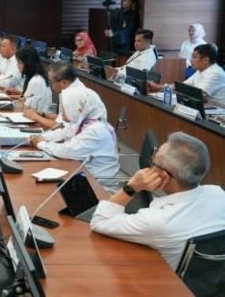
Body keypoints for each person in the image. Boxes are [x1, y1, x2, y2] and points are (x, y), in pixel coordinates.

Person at [90, 132, 225, 270]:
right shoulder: (219, 194)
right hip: (207, 282)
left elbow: (99, 222)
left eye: (153, 163)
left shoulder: (157, 221)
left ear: (164, 176)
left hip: (163, 285)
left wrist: (131, 187)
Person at [30, 87, 119, 193]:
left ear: (77, 108)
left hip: (99, 189)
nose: (61, 111)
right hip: (83, 178)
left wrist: (41, 143)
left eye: (65, 107)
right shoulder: (82, 122)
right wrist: (42, 137)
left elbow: (67, 150)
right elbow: (62, 133)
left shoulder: (95, 130)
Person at [148, 44, 225, 104]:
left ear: (205, 60)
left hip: (217, 112)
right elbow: (182, 86)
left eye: (194, 57)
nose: (191, 60)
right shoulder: (200, 70)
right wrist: (157, 87)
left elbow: (199, 94)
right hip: (204, 106)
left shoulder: (216, 74)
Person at [23, 60, 87, 129]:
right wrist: (41, 114)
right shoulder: (68, 88)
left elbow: (61, 126)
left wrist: (35, 117)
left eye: (51, 81)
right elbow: (61, 118)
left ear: (64, 82)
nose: (50, 85)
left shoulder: (74, 96)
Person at [5, 45, 52, 112]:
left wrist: (14, 102)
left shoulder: (35, 82)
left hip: (35, 121)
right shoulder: (38, 77)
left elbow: (27, 108)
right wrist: (17, 95)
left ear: (28, 64)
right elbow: (29, 99)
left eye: (19, 62)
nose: (17, 65)